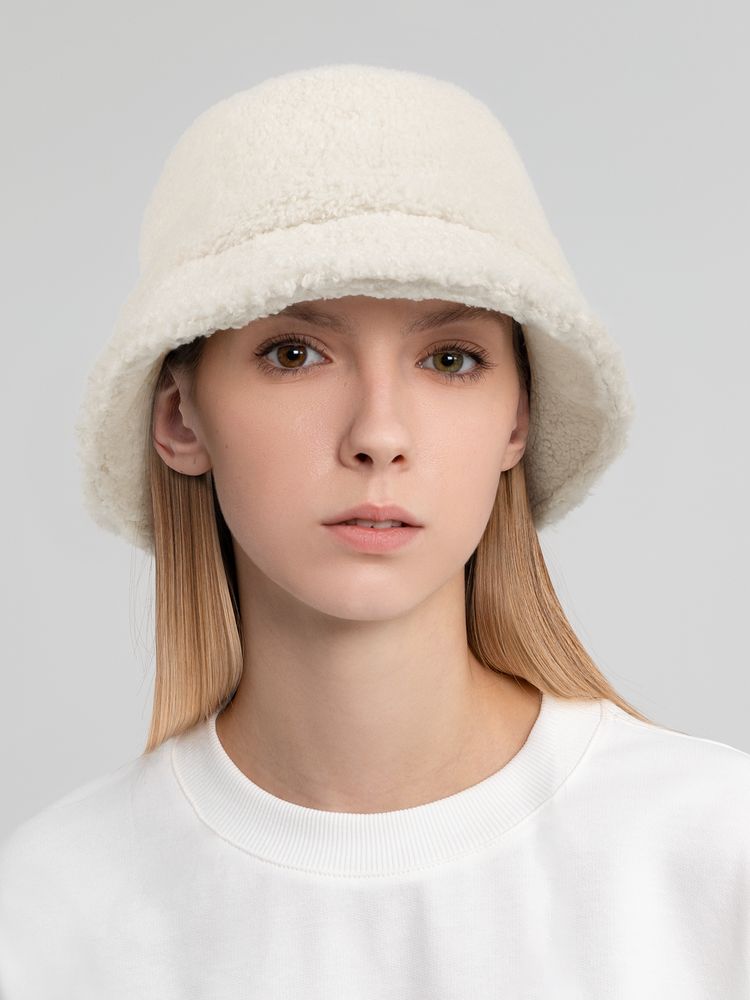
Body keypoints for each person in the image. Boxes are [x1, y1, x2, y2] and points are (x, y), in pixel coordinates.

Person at [1, 63, 748, 999]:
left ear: (518, 420)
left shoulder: (715, 853)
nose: (379, 434)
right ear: (181, 419)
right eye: (294, 353)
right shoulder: (52, 912)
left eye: (451, 359)